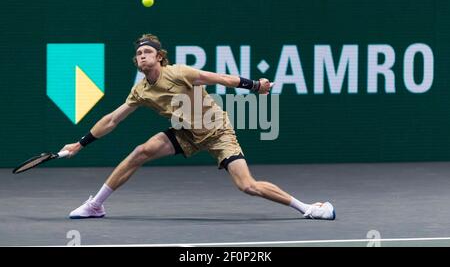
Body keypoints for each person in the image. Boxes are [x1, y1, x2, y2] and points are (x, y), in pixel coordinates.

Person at [63, 34, 335, 220]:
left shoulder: (180, 73)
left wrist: (256, 86)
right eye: (139, 53)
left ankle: (308, 208)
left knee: (247, 186)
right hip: (185, 133)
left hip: (217, 132)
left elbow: (221, 79)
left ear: (159, 57)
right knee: (140, 152)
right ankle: (95, 205)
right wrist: (80, 143)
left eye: (148, 52)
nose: (142, 56)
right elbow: (112, 119)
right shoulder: (141, 91)